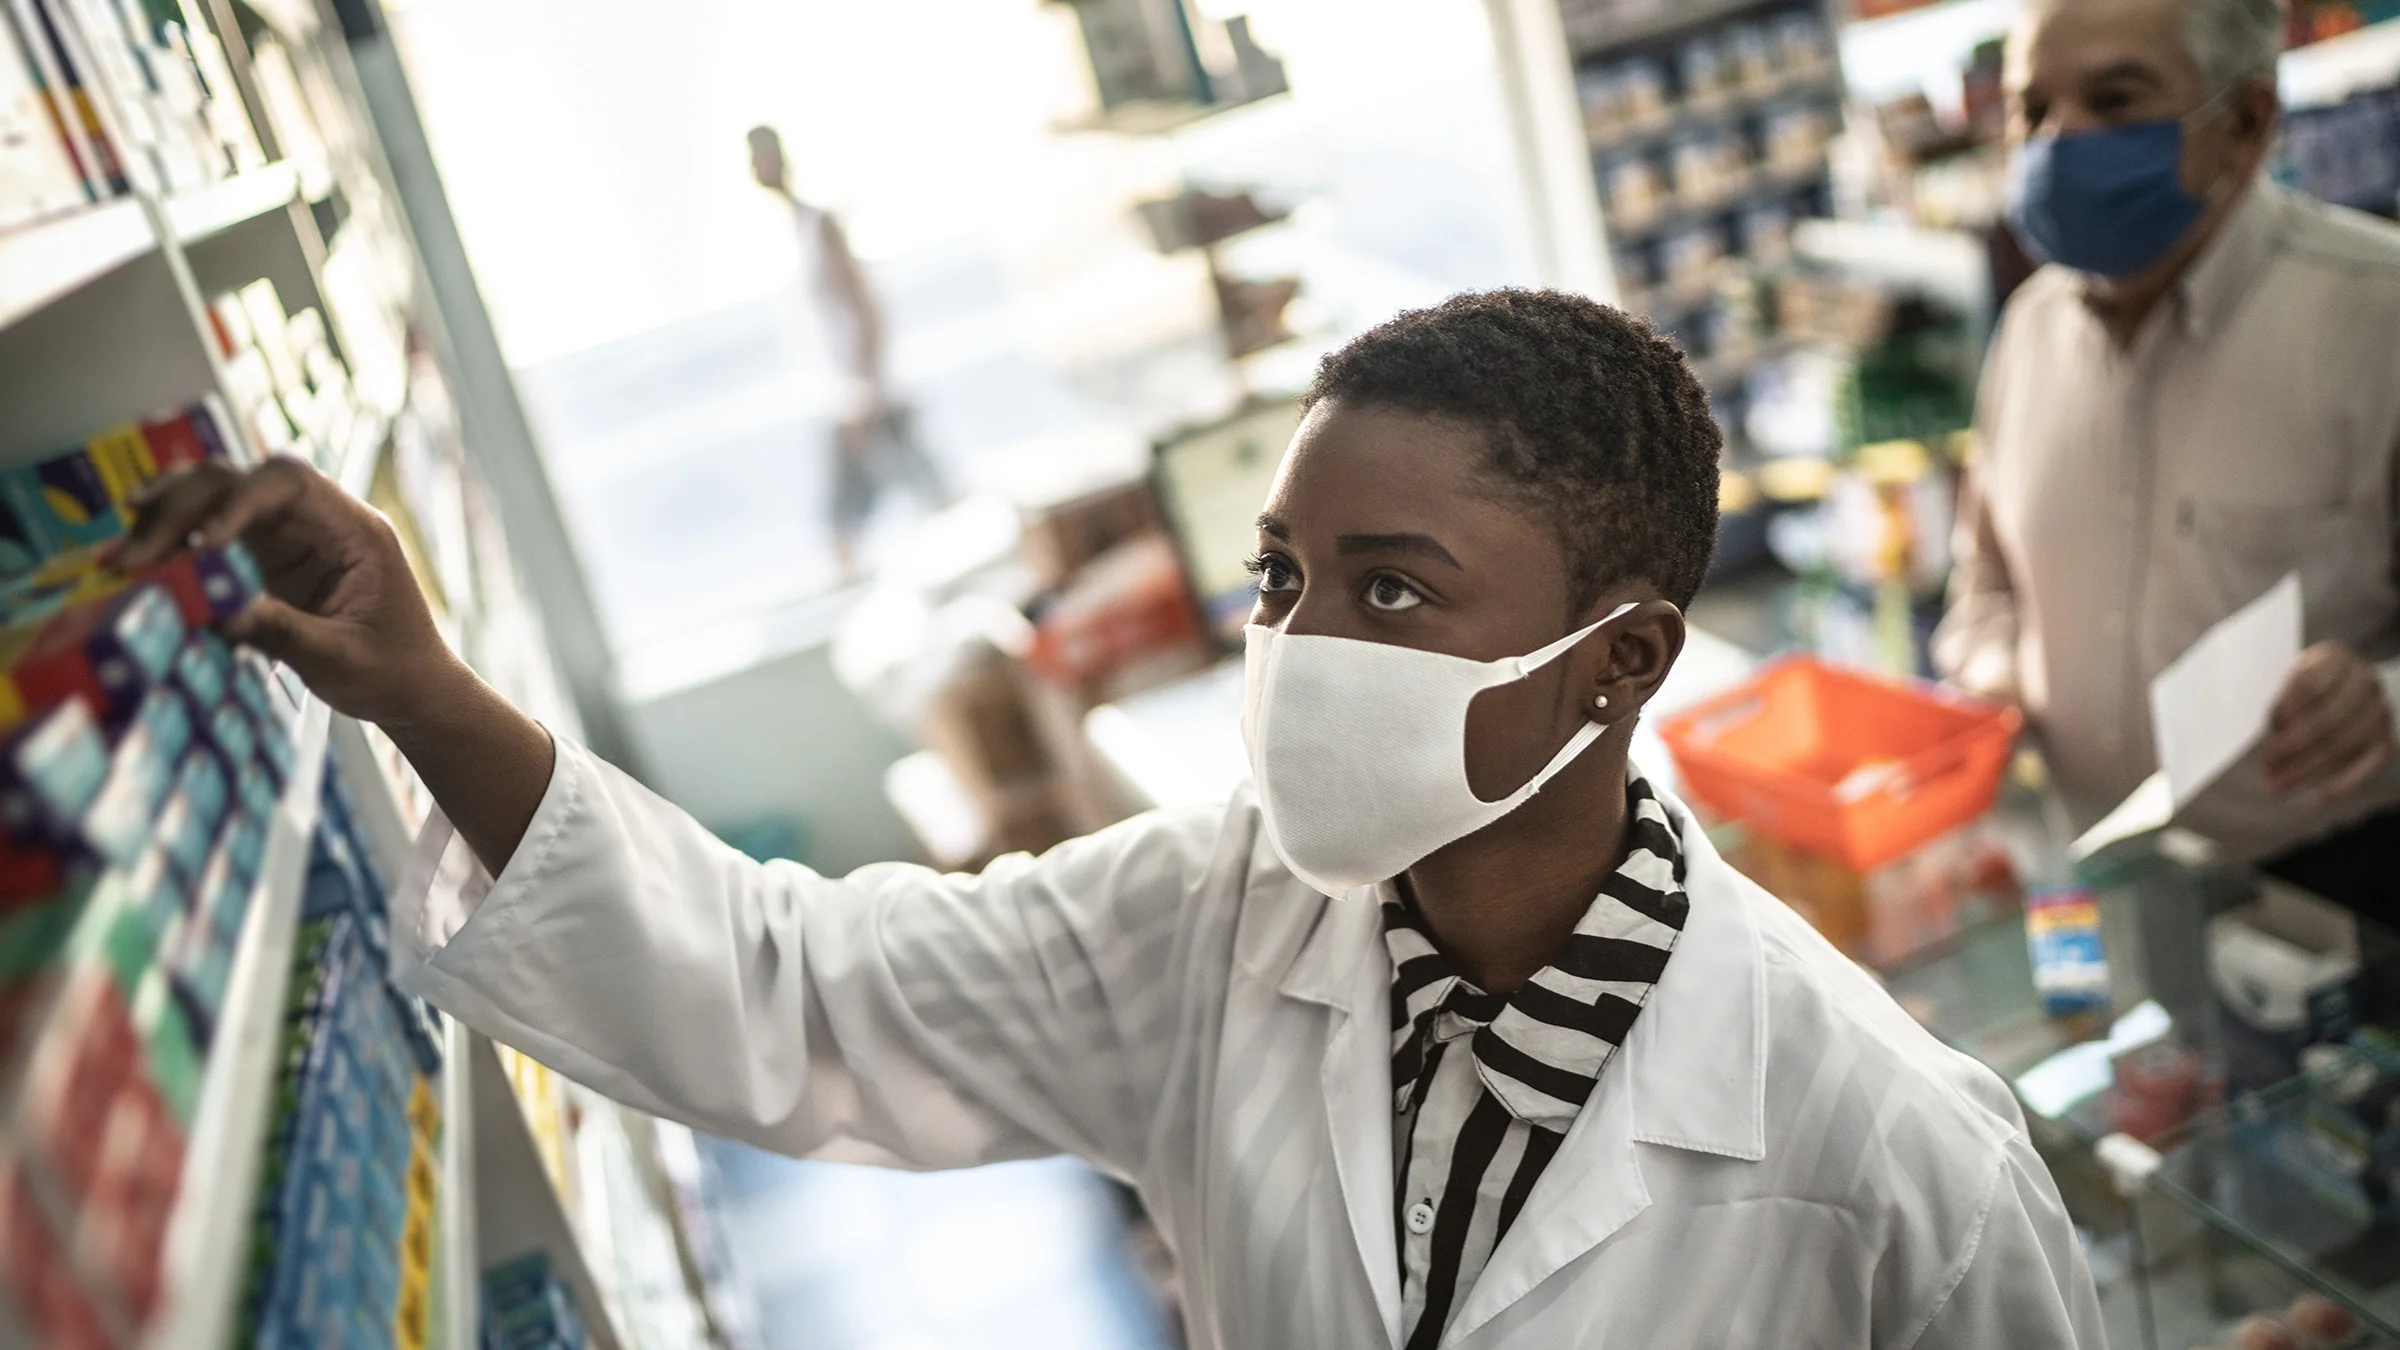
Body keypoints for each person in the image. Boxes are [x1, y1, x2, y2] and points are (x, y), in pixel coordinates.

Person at [122, 292, 2102, 1348]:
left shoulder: (1889, 1150)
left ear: (1618, 662)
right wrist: (429, 691)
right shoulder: (1214, 918)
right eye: (1281, 583)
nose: (1303, 650)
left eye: (1391, 590)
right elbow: (790, 987)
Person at [1936, 0, 2400, 910]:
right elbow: (1985, 590)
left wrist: (2382, 699)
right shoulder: (2028, 334)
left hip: (2347, 885)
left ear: (2247, 121)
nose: (2060, 141)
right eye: (2034, 111)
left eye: (2116, 101)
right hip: (2107, 881)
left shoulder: (2375, 320)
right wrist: (1994, 679)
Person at [747, 125, 948, 582]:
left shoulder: (821, 227)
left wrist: (867, 393)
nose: (758, 169)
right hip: (846, 397)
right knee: (916, 491)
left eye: (762, 157)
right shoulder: (793, 236)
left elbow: (866, 311)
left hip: (866, 395)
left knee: (864, 508)